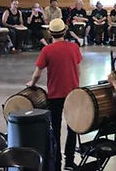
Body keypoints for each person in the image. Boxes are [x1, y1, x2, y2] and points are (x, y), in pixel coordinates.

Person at [28, 19, 82, 169]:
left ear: (50, 33)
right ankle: (69, 161)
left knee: (55, 129)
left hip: (55, 94)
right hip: (72, 93)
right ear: (64, 31)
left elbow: (37, 73)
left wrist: (32, 83)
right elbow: (78, 71)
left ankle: (56, 162)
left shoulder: (47, 50)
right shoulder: (74, 47)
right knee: (72, 128)